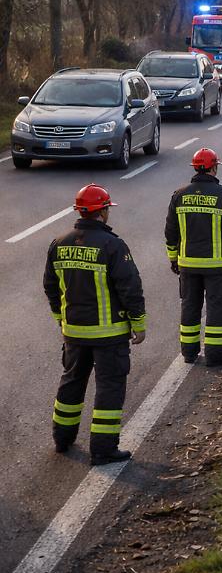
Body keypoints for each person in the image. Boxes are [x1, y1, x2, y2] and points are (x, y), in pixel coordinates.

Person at [45, 184, 146, 465]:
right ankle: (103, 449)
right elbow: (130, 288)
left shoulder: (59, 243)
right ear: (102, 212)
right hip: (109, 334)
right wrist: (138, 323)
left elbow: (51, 287)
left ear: (80, 211)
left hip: (74, 333)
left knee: (71, 383)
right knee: (109, 387)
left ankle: (62, 439)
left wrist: (61, 319)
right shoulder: (112, 245)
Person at [165, 147, 222, 367]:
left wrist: (174, 258)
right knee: (216, 309)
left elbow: (170, 232)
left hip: (188, 265)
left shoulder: (179, 195)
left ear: (195, 168)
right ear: (213, 167)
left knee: (190, 307)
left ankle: (189, 353)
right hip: (217, 267)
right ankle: (213, 355)